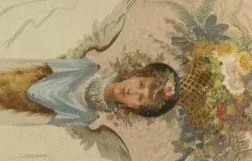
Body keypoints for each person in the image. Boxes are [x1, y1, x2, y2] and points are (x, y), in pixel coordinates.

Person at [0, 58, 178, 128]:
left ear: (134, 107)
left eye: (139, 97)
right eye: (140, 83)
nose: (131, 90)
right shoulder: (86, 67)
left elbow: (32, 121)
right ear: (136, 75)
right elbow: (35, 64)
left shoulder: (86, 117)